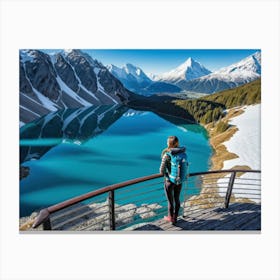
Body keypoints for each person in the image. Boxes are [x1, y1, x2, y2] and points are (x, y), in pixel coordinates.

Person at [159, 136, 187, 225]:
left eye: (167, 142)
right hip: (179, 180)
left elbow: (161, 171)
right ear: (177, 143)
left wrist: (167, 174)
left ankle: (170, 218)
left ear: (169, 144)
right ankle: (175, 217)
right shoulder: (181, 153)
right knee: (177, 199)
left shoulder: (167, 154)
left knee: (170, 201)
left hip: (169, 181)